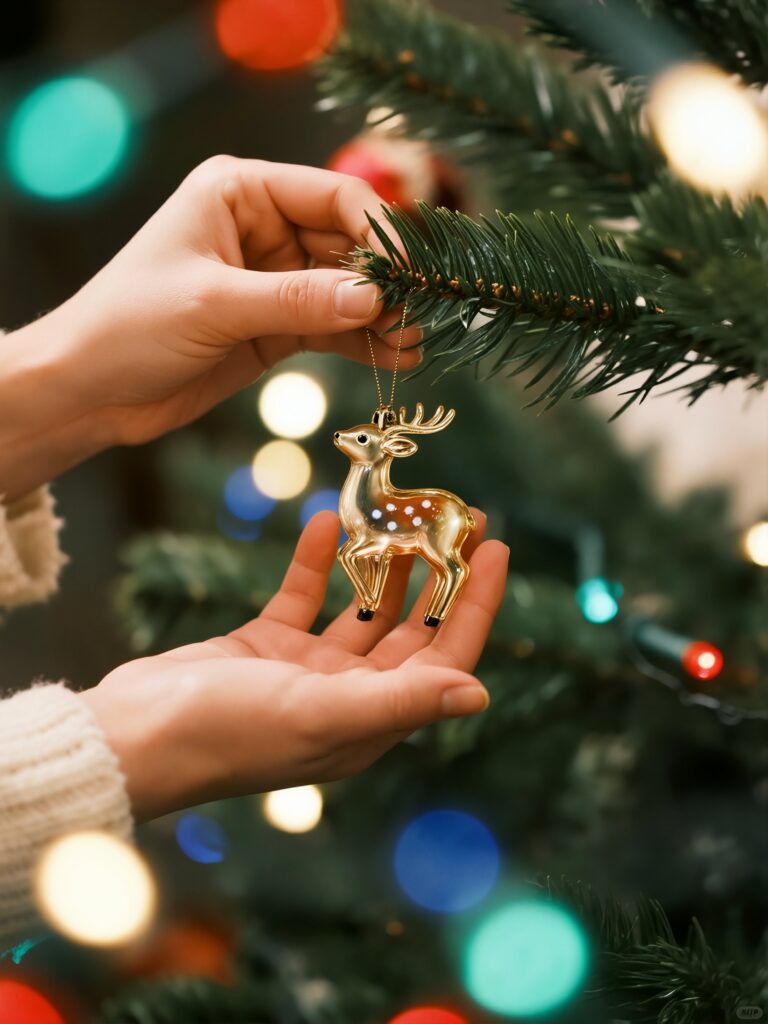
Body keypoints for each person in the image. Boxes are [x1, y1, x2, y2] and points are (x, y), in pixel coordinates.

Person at [0, 158, 509, 948]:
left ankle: (427, 593)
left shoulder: (398, 496)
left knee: (440, 563)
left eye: (367, 441)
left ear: (383, 445)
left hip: (404, 515)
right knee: (375, 551)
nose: (355, 442)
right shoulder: (365, 491)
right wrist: (142, 743)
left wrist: (44, 393)